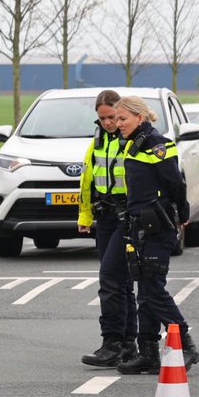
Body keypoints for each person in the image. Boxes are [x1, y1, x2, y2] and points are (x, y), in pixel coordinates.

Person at [110, 96, 199, 374]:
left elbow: (175, 184)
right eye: (116, 119)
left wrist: (182, 215)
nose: (118, 124)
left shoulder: (158, 145)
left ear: (140, 117)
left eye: (123, 118)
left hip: (157, 226)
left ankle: (186, 344)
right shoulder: (132, 145)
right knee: (144, 290)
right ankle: (148, 352)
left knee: (152, 289)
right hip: (138, 225)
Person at [78, 90, 137, 367]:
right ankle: (128, 344)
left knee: (110, 279)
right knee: (120, 282)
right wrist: (85, 215)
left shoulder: (131, 138)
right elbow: (88, 177)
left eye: (112, 117)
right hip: (105, 215)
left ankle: (112, 343)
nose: (108, 123)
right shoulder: (98, 140)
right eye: (102, 118)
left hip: (127, 215)